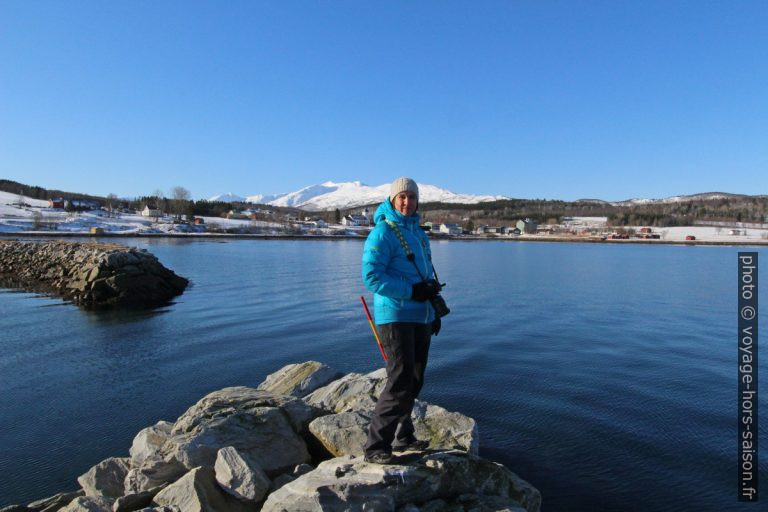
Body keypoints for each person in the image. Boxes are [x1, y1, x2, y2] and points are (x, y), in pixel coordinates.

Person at [361, 177, 443, 464]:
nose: (407, 202)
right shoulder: (383, 232)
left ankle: (403, 435)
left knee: (415, 379)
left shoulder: (419, 233)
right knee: (400, 380)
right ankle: (376, 447)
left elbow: (425, 277)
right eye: (402, 197)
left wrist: (432, 310)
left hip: (421, 316)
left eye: (412, 197)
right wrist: (411, 292)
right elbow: (371, 276)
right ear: (393, 200)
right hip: (395, 316)